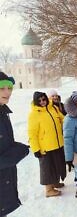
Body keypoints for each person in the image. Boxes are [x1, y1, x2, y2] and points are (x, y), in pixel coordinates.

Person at [0, 72, 29, 217]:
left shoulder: (3, 112)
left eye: (9, 87)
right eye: (1, 88)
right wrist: (20, 151)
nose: (7, 92)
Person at [28, 91, 66, 197]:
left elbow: (63, 119)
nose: (42, 102)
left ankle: (55, 182)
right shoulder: (34, 114)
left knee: (57, 165)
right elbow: (32, 133)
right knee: (47, 168)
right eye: (39, 100)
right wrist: (35, 149)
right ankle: (49, 190)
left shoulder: (53, 108)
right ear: (36, 102)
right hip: (45, 147)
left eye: (43, 99)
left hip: (58, 143)